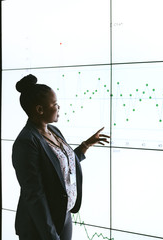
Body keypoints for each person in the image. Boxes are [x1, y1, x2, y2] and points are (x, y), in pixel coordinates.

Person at [12, 74, 110, 240]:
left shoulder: (53, 131)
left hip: (63, 215)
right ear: (40, 110)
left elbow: (62, 167)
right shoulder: (27, 142)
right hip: (41, 225)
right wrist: (50, 236)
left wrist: (86, 145)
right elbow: (34, 195)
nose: (59, 107)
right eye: (55, 104)